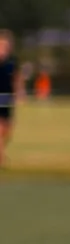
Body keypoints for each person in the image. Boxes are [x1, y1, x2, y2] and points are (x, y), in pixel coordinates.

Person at [0, 31, 15, 168]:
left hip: (7, 98)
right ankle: (1, 156)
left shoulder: (12, 62)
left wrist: (19, 93)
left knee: (8, 129)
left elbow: (16, 78)